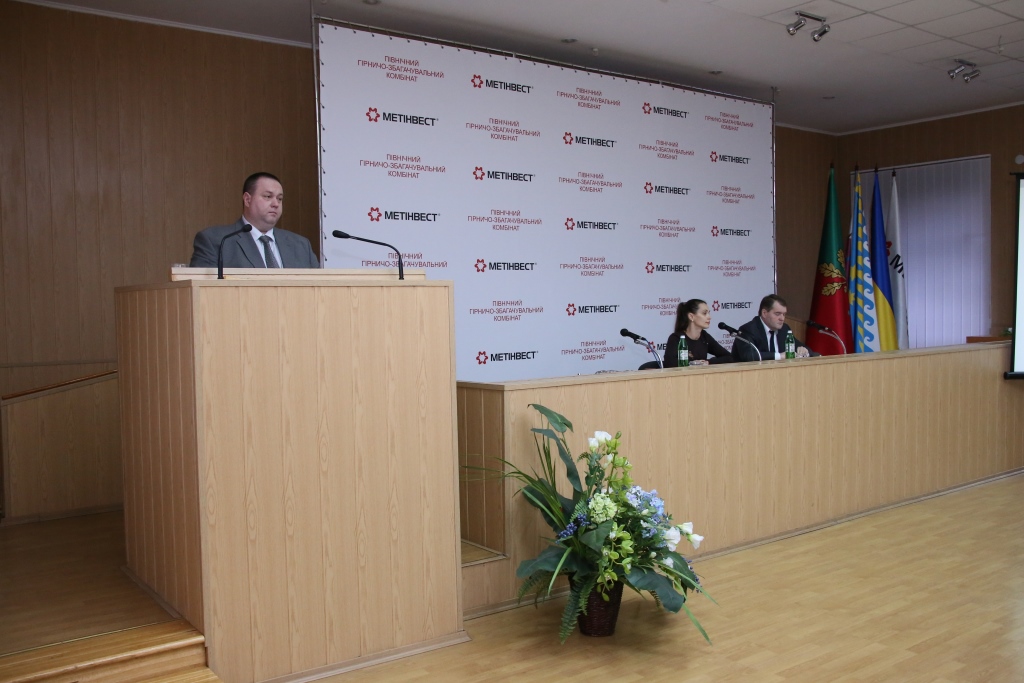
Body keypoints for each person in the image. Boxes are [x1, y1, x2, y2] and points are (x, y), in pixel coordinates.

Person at [189, 172, 320, 268]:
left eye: (279, 199)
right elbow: (204, 291)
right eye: (268, 196)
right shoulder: (217, 241)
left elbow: (319, 290)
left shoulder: (301, 245)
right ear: (247, 199)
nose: (276, 204)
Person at [733, 294, 817, 362]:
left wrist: (804, 350)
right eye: (777, 314)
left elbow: (805, 348)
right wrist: (780, 356)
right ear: (764, 313)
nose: (782, 318)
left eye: (784, 314)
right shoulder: (748, 329)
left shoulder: (784, 329)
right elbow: (749, 356)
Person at [665, 299, 733, 367]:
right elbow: (669, 363)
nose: (709, 317)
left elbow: (729, 357)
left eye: (709, 313)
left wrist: (708, 362)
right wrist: (693, 363)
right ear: (691, 316)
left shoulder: (704, 336)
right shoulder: (676, 338)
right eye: (704, 313)